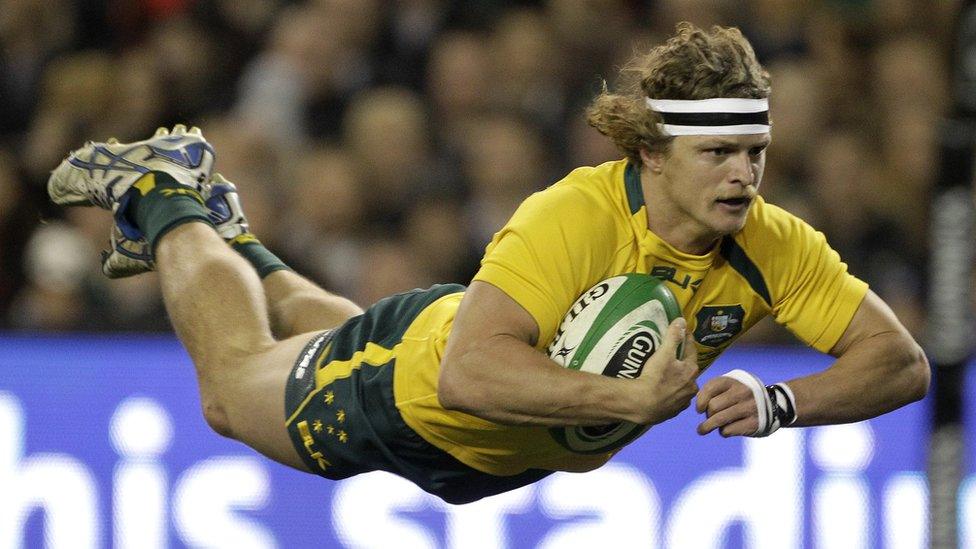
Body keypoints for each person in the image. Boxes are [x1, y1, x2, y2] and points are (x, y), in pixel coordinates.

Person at [47, 23, 929, 505]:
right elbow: (470, 374)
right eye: (718, 154)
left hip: (499, 450)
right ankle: (166, 193)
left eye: (754, 152)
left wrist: (784, 402)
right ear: (654, 154)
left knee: (318, 330)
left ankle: (235, 237)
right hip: (403, 399)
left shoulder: (776, 244)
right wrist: (629, 400)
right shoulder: (574, 216)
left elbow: (899, 362)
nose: (743, 174)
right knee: (229, 391)